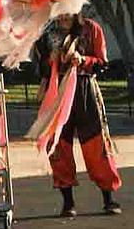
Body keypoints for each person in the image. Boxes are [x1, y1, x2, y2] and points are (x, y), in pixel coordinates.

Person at [31, 13, 122, 217]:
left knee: (96, 144)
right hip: (56, 91)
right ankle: (68, 202)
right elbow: (39, 68)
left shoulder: (91, 29)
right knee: (58, 145)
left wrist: (83, 60)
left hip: (84, 89)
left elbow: (101, 62)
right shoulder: (46, 31)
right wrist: (50, 61)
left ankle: (108, 198)